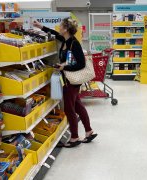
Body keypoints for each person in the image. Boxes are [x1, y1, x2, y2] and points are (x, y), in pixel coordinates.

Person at [33, 18, 97, 148]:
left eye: (61, 26)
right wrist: (41, 27)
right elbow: (55, 33)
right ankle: (89, 131)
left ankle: (74, 137)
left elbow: (81, 64)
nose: (59, 28)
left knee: (69, 109)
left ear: (66, 29)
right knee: (78, 105)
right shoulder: (65, 40)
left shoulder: (74, 43)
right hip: (68, 79)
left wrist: (64, 67)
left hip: (71, 80)